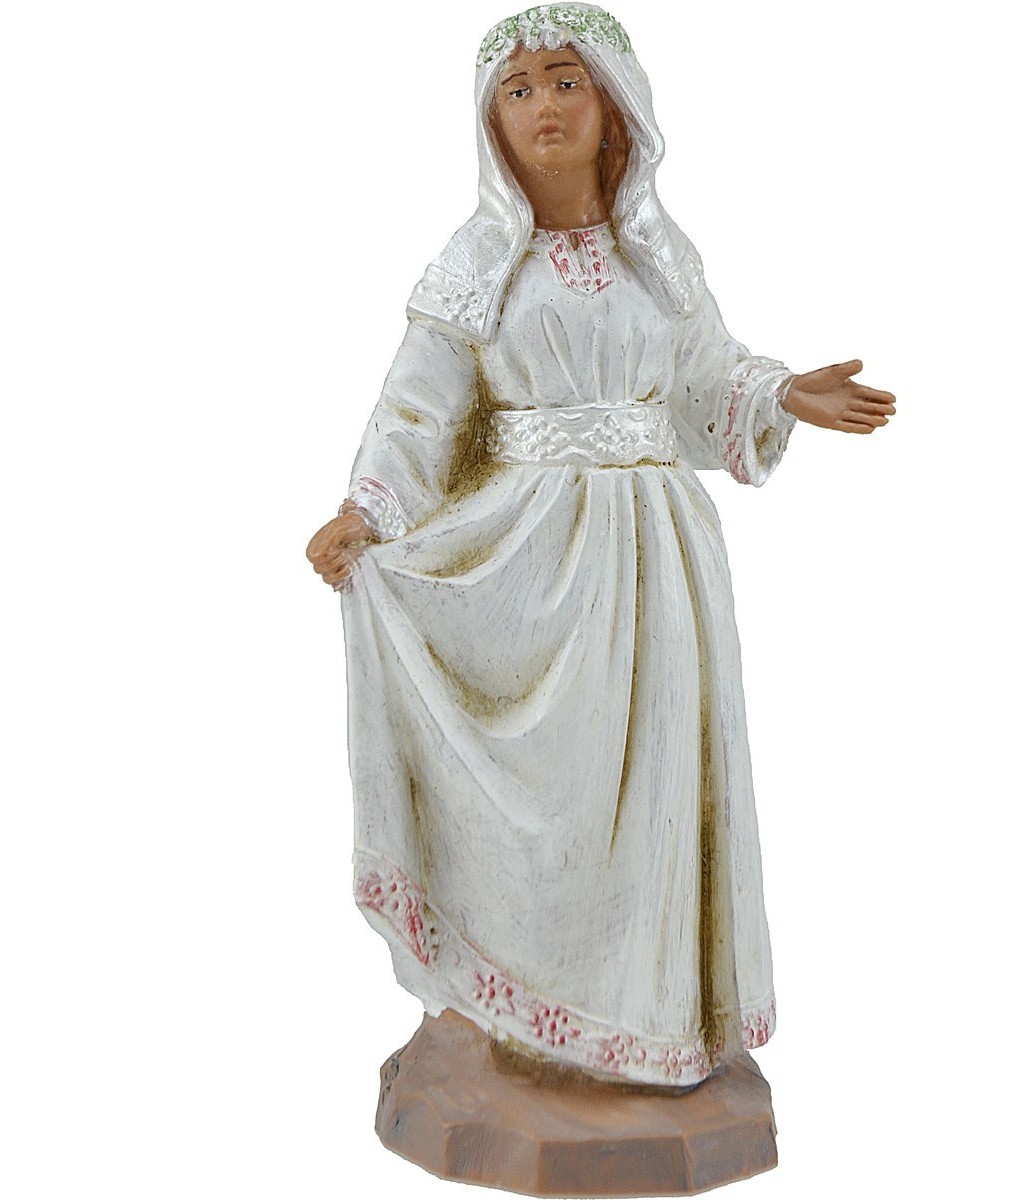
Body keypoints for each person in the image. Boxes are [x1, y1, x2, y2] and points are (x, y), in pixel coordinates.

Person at [307, 4, 894, 1089]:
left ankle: (643, 1017)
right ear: (490, 120)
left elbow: (706, 378)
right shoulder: (476, 265)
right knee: (554, 795)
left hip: (660, 565)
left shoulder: (658, 260)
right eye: (518, 88)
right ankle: (530, 1011)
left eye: (565, 80)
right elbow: (420, 410)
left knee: (655, 787)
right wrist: (370, 509)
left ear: (616, 102)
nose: (544, 105)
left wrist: (780, 393)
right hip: (524, 558)